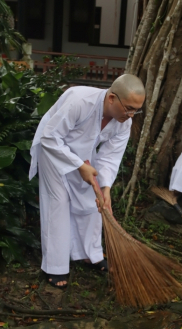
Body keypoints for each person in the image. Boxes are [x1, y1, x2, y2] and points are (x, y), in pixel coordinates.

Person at [29, 74, 145, 288]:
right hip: (53, 151)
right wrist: (79, 166)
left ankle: (89, 254)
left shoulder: (123, 122)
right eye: (128, 108)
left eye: (136, 110)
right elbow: (49, 137)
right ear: (111, 98)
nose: (131, 115)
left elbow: (111, 156)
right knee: (58, 203)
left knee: (93, 202)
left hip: (84, 156)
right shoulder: (79, 101)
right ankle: (54, 267)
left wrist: (106, 187)